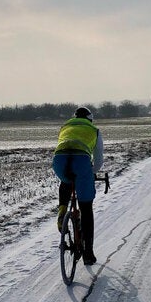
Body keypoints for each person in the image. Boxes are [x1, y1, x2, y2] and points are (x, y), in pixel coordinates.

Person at [52, 106, 104, 265]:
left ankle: (62, 209)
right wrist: (91, 172)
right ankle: (88, 253)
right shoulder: (94, 130)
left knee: (66, 180)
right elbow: (99, 160)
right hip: (81, 162)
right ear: (90, 119)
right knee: (86, 208)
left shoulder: (65, 127)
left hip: (59, 161)